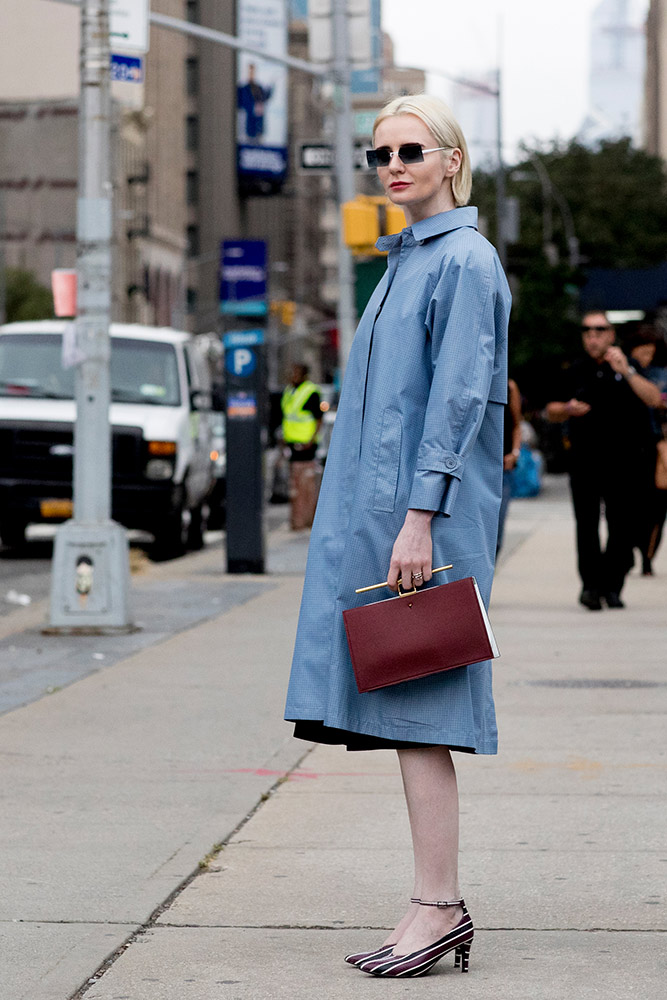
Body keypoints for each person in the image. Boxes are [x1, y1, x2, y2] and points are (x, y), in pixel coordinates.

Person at [284, 94, 510, 978]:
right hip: (383, 523)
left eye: (412, 149)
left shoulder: (465, 262)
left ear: (451, 158)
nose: (393, 164)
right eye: (379, 153)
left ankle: (437, 906)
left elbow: (458, 400)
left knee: (420, 713)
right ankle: (431, 901)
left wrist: (418, 519)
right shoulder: (409, 262)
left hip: (420, 525)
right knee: (404, 712)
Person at [546, 311, 661, 610]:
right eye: (587, 330)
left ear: (611, 335)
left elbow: (653, 399)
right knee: (586, 525)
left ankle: (613, 586)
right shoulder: (574, 369)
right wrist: (568, 408)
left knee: (621, 525)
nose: (592, 336)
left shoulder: (627, 366)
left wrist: (628, 371)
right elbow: (551, 410)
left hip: (624, 462)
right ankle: (591, 587)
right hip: (584, 461)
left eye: (599, 330)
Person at [626, 326, 667, 574]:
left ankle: (648, 555)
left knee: (657, 506)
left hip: (658, 445)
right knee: (633, 504)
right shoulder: (623, 372)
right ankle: (633, 549)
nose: (646, 358)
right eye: (642, 352)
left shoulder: (662, 374)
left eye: (650, 352)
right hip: (633, 446)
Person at [281, 364, 322, 530]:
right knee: (295, 485)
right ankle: (297, 520)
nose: (293, 375)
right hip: (292, 444)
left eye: (296, 372)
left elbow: (318, 418)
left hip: (307, 447)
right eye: (291, 372)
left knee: (307, 483)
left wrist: (311, 440)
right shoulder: (289, 392)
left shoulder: (310, 392)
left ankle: (307, 520)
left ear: (304, 375)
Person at [496, 377, 522, 554]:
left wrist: (515, 453)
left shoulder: (509, 386)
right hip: (479, 467)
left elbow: (516, 424)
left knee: (497, 528)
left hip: (503, 466)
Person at [237, 62, 273, 141]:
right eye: (249, 71)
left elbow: (265, 98)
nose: (251, 74)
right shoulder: (243, 88)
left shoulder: (258, 88)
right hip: (246, 127)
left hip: (258, 126)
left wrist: (271, 87)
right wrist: (252, 107)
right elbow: (239, 104)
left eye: (253, 71)